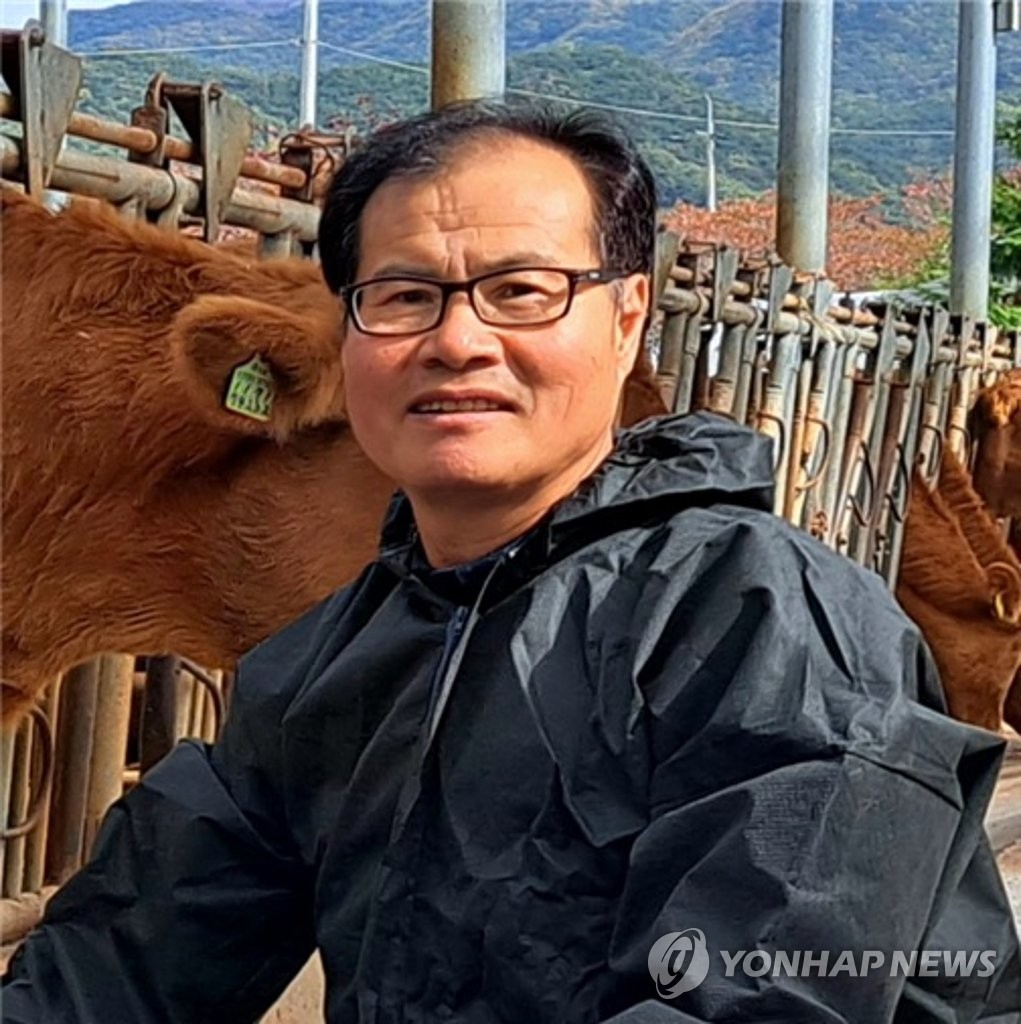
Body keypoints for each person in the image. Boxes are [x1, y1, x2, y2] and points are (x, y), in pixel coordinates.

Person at [3, 100, 1019, 1024]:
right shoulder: (332, 658)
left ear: (625, 322)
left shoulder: (762, 622)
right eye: (403, 296)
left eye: (521, 291)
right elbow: (129, 956)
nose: (457, 339)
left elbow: (760, 1000)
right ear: (346, 344)